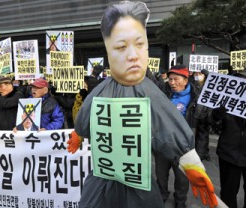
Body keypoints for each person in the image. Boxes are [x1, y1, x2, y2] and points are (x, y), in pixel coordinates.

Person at [67, 1, 218, 208]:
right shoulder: (102, 88)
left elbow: (168, 126)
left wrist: (191, 164)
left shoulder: (148, 90)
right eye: (121, 47)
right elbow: (86, 114)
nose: (133, 56)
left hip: (135, 177)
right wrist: (79, 131)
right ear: (109, 52)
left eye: (140, 45)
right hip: (103, 176)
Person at [149, 65, 200, 208]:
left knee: (182, 178)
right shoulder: (163, 92)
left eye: (176, 79)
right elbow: (149, 81)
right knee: (161, 175)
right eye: (170, 79)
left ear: (185, 80)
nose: (172, 82)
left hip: (183, 147)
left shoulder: (196, 97)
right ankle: (162, 195)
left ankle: (180, 201)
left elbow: (204, 121)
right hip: (162, 143)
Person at [211, 72, 246, 208]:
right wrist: (216, 115)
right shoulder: (222, 103)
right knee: (228, 192)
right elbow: (210, 123)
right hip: (228, 154)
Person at [192, 70, 212, 161]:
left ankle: (200, 156)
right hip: (192, 118)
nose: (197, 76)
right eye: (196, 74)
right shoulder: (191, 86)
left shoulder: (209, 87)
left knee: (202, 139)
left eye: (200, 74)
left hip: (204, 118)